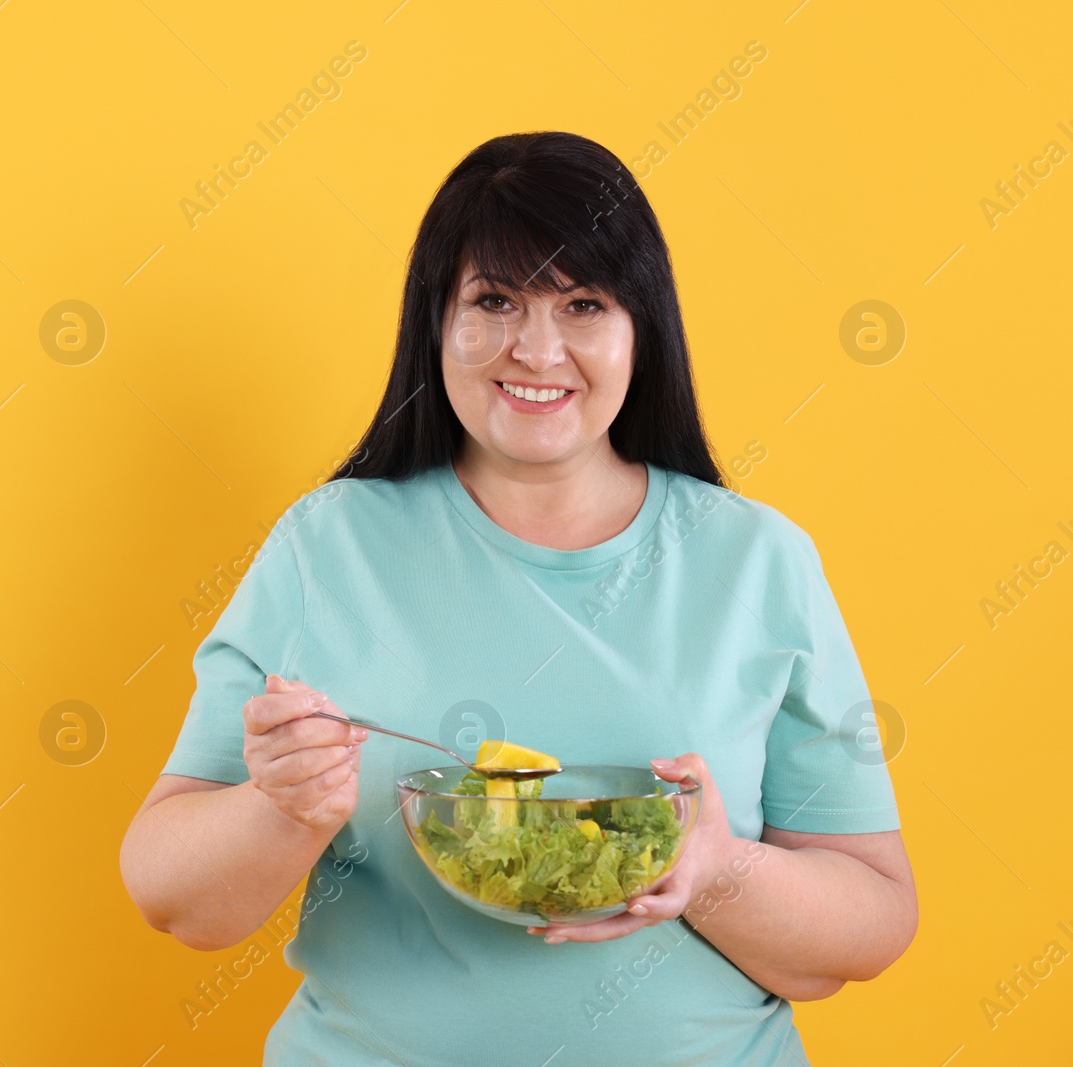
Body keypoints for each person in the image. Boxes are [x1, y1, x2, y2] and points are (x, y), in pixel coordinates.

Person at [119, 130, 918, 1065]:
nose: (537, 350)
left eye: (583, 303)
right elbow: (175, 899)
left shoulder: (757, 559)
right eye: (494, 300)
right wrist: (279, 809)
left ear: (641, 328)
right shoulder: (328, 545)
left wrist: (714, 869)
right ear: (436, 323)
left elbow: (871, 922)